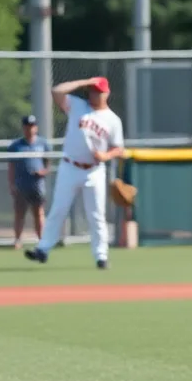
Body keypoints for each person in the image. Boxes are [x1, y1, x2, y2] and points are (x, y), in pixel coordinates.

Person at [24, 76, 124, 269]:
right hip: (69, 166)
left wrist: (105, 155)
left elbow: (119, 148)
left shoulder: (112, 120)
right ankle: (43, 249)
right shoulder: (78, 105)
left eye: (99, 91)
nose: (96, 94)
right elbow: (56, 91)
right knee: (58, 210)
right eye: (93, 90)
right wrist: (84, 82)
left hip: (93, 171)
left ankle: (101, 257)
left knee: (96, 216)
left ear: (107, 93)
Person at [8, 114, 50, 249]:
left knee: (38, 212)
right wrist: (12, 184)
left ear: (36, 127)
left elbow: (48, 164)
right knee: (19, 213)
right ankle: (17, 240)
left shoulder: (43, 144)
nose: (30, 129)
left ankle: (41, 240)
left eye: (32, 126)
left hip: (37, 185)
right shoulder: (16, 146)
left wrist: (42, 172)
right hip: (21, 184)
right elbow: (11, 167)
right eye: (27, 126)